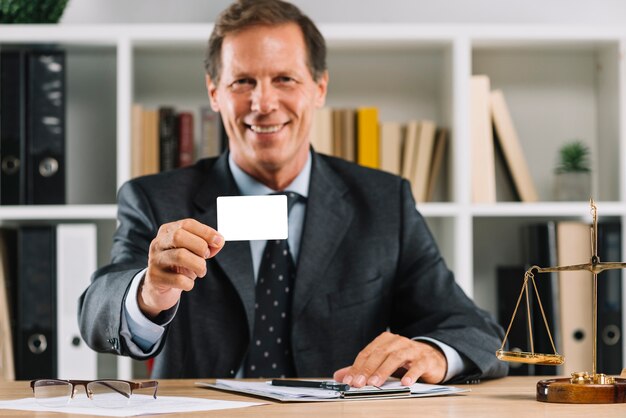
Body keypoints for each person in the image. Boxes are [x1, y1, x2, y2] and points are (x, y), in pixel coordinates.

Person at [78, 0, 507, 387]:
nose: (263, 103)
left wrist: (432, 353)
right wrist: (148, 291)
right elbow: (96, 315)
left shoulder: (383, 201)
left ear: (319, 88)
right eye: (242, 82)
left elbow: (475, 329)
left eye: (284, 78)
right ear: (214, 93)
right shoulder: (155, 199)